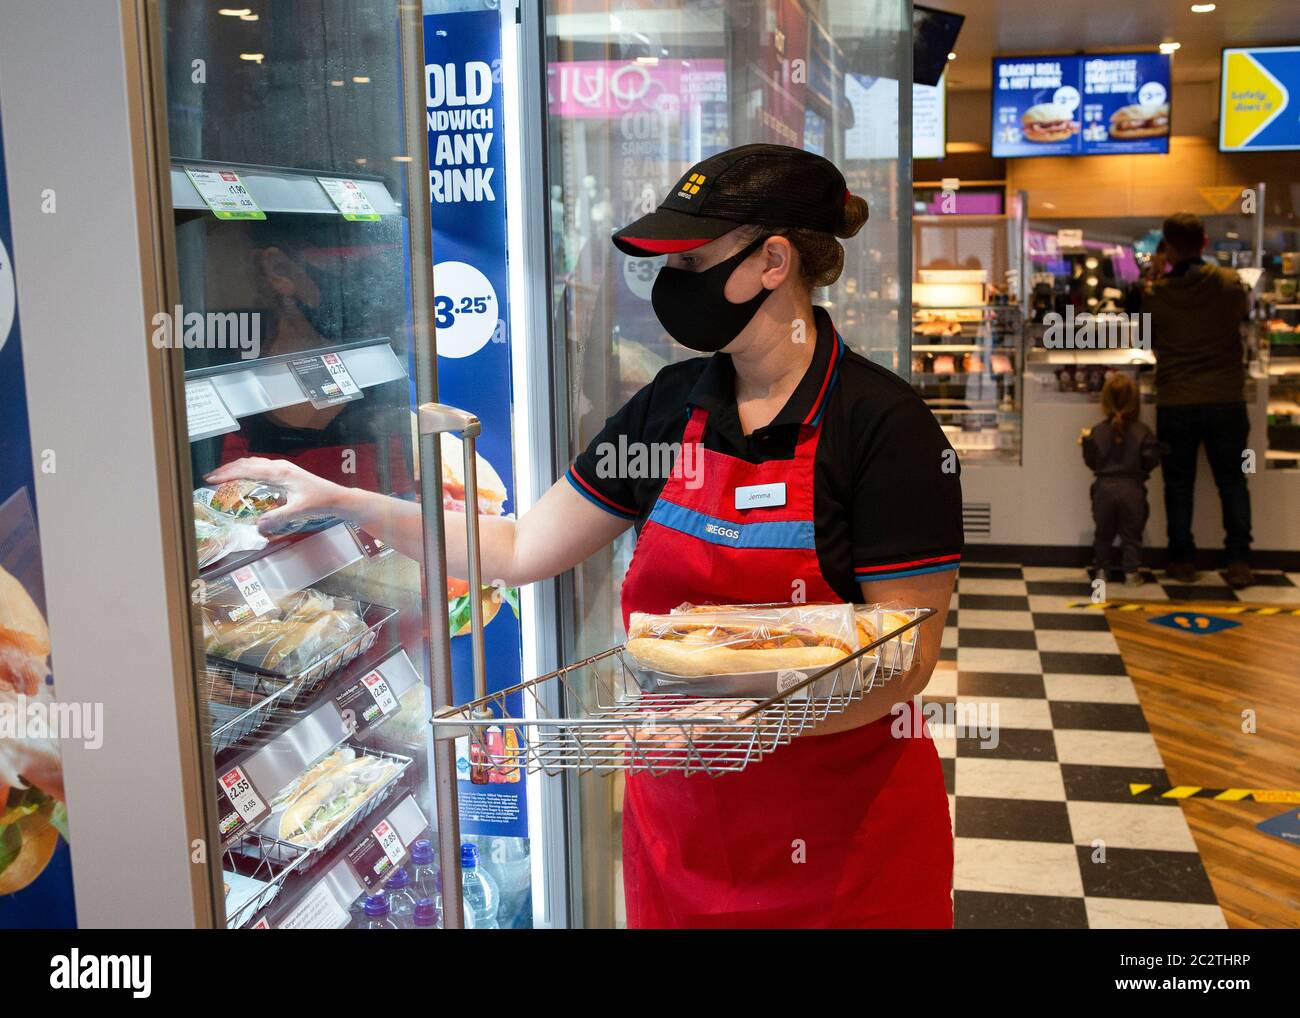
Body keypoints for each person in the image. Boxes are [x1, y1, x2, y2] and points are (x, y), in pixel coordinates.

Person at [209, 144, 963, 928]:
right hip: (683, 842)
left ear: (774, 261)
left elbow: (902, 663)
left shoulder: (885, 428)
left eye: (693, 259)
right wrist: (349, 501)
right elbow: (517, 547)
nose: (673, 282)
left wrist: (752, 719)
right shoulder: (670, 409)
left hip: (842, 853)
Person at [1142, 212, 1254, 587]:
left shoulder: (1156, 295)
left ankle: (1180, 560)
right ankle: (1238, 560)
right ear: (1205, 243)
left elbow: (1148, 337)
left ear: (1168, 248)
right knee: (1233, 482)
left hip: (1176, 400)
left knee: (1178, 485)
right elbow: (1244, 315)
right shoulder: (1229, 284)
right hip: (1227, 399)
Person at [1081, 373, 1160, 585]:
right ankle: (1131, 573)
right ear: (1135, 402)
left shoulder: (1097, 431)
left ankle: (1101, 571)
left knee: (1103, 534)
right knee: (1131, 533)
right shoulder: (1143, 431)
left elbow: (1090, 460)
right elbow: (1151, 458)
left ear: (1104, 401)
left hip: (1103, 488)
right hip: (1133, 488)